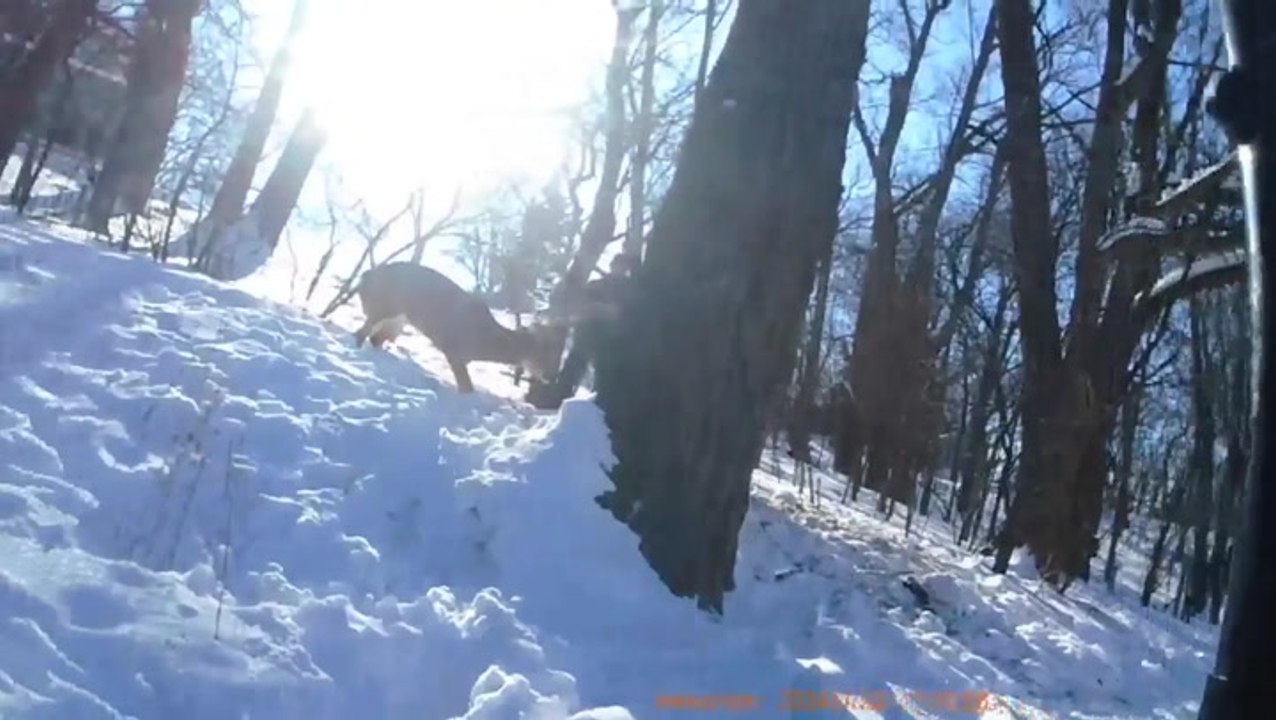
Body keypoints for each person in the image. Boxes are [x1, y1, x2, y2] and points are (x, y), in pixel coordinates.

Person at [534, 252, 638, 408]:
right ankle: (556, 401)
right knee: (573, 369)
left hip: (611, 340)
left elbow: (626, 314)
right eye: (616, 265)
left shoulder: (629, 291)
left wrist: (608, 312)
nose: (618, 269)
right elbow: (581, 305)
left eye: (622, 266)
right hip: (587, 333)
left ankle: (596, 407)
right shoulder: (597, 285)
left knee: (604, 375)